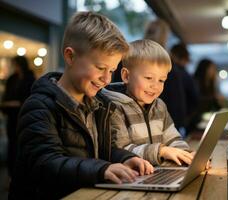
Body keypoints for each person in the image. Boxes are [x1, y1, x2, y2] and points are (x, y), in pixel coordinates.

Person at [8, 12, 153, 200]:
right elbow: (45, 163)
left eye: (111, 70)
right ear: (70, 56)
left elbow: (102, 150)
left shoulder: (100, 105)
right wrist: (101, 169)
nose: (107, 79)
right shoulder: (39, 106)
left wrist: (126, 159)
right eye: (101, 68)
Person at [101, 39, 194, 166]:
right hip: (131, 178)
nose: (155, 86)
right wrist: (160, 151)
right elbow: (120, 150)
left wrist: (186, 154)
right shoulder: (113, 106)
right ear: (126, 76)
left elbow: (173, 138)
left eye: (161, 80)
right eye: (149, 78)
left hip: (158, 175)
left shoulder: (159, 106)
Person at [1, 56, 36, 176]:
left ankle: (24, 174)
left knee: (24, 145)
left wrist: (16, 103)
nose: (14, 67)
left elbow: (30, 98)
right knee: (12, 146)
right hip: (12, 117)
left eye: (15, 64)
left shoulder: (29, 78)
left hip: (25, 117)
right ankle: (12, 175)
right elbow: (6, 99)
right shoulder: (12, 79)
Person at [169, 43, 199, 134]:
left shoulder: (174, 72)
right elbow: (195, 97)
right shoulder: (183, 73)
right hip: (181, 117)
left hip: (174, 116)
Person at [193, 58, 225, 125]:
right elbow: (197, 101)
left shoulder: (211, 84)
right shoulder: (195, 82)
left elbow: (216, 106)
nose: (214, 71)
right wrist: (215, 98)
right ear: (205, 69)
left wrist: (219, 101)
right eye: (212, 68)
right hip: (195, 120)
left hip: (206, 120)